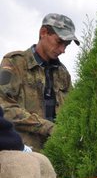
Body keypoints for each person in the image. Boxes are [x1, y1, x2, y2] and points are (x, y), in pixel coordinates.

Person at [0, 13, 79, 151]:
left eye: (67, 45)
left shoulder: (63, 73)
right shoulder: (14, 63)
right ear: (43, 33)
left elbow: (73, 111)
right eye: (59, 42)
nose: (63, 50)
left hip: (57, 153)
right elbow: (4, 107)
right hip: (23, 154)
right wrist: (47, 127)